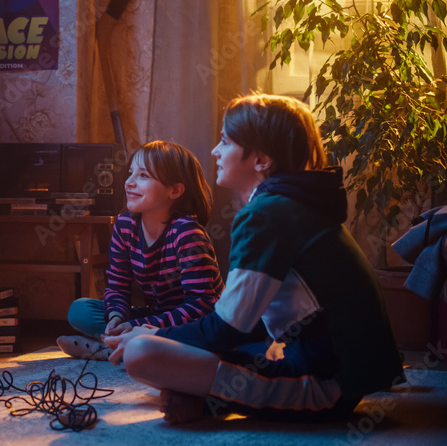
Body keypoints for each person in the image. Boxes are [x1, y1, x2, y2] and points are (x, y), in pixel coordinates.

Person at [104, 94, 403, 423]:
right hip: (319, 362)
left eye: (225, 141)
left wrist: (151, 334)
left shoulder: (266, 215)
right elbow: (244, 325)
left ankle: (211, 402)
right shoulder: (289, 205)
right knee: (166, 345)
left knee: (140, 352)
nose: (216, 151)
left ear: (260, 159)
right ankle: (204, 396)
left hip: (325, 384)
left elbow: (226, 329)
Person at [57, 140, 224, 361]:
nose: (129, 182)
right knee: (80, 310)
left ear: (174, 190)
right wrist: (117, 317)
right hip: (155, 316)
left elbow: (201, 306)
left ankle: (115, 348)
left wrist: (139, 326)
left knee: (207, 340)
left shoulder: (187, 233)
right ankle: (125, 344)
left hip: (195, 322)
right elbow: (118, 284)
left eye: (143, 176)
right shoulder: (125, 225)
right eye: (130, 173)